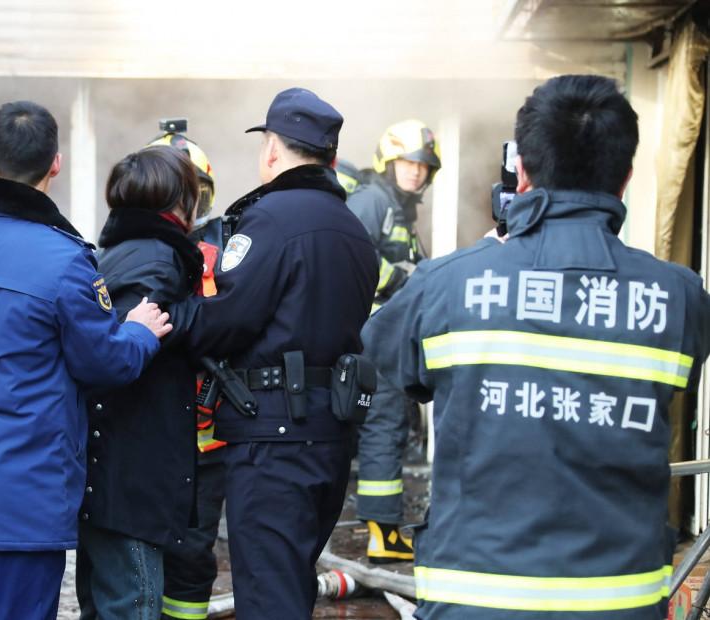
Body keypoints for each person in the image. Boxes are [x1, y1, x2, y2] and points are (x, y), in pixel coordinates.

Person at [364, 74, 710, 619]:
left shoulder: (450, 284)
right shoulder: (678, 296)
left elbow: (384, 355)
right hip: (620, 603)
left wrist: (483, 258)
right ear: (625, 179)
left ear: (520, 171)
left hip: (474, 601)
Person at [0, 100, 172, 620]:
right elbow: (104, 363)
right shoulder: (65, 261)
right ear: (55, 163)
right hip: (25, 496)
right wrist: (140, 333)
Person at [184, 88, 379, 620]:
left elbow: (225, 320)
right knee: (289, 586)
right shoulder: (356, 232)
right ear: (331, 158)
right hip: (331, 439)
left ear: (272, 150)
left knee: (270, 597)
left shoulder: (268, 221)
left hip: (272, 443)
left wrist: (170, 317)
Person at [75, 145, 203, 620]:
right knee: (132, 604)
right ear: (180, 200)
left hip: (105, 472)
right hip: (130, 479)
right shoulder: (157, 260)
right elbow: (115, 356)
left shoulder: (115, 254)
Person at [346, 119, 442, 563]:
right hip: (371, 341)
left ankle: (383, 528)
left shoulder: (398, 209)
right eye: (407, 162)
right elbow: (350, 259)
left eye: (423, 165)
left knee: (389, 429)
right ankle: (383, 534)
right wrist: (404, 277)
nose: (416, 172)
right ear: (387, 161)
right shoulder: (373, 201)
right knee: (384, 430)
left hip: (382, 340)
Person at [147, 126, 228, 620]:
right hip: (149, 437)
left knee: (194, 555)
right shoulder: (120, 254)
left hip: (203, 440)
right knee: (138, 549)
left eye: (189, 191)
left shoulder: (221, 255)